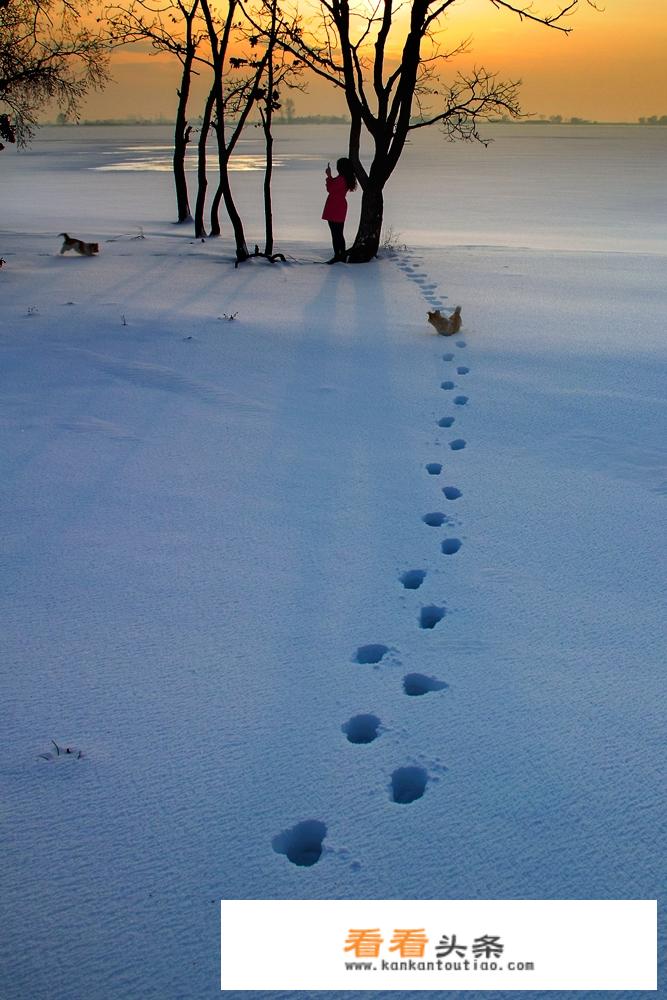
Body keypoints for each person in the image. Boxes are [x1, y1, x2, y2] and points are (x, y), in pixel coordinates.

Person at [322, 157, 357, 263]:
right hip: (338, 205)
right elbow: (332, 187)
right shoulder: (344, 178)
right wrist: (330, 177)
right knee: (338, 232)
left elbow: (331, 189)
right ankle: (340, 255)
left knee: (336, 233)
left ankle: (338, 256)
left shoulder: (341, 179)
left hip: (335, 206)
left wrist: (328, 176)